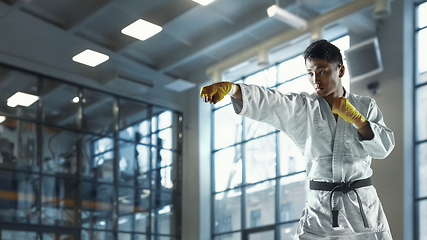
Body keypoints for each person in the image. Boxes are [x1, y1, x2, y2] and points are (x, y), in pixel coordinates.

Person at [200, 39, 395, 239]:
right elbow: (272, 102)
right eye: (310, 73)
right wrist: (232, 89)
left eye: (321, 71)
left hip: (362, 208)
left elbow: (383, 149)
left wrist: (359, 121)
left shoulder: (365, 106)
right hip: (321, 209)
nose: (315, 79)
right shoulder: (303, 107)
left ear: (341, 70)